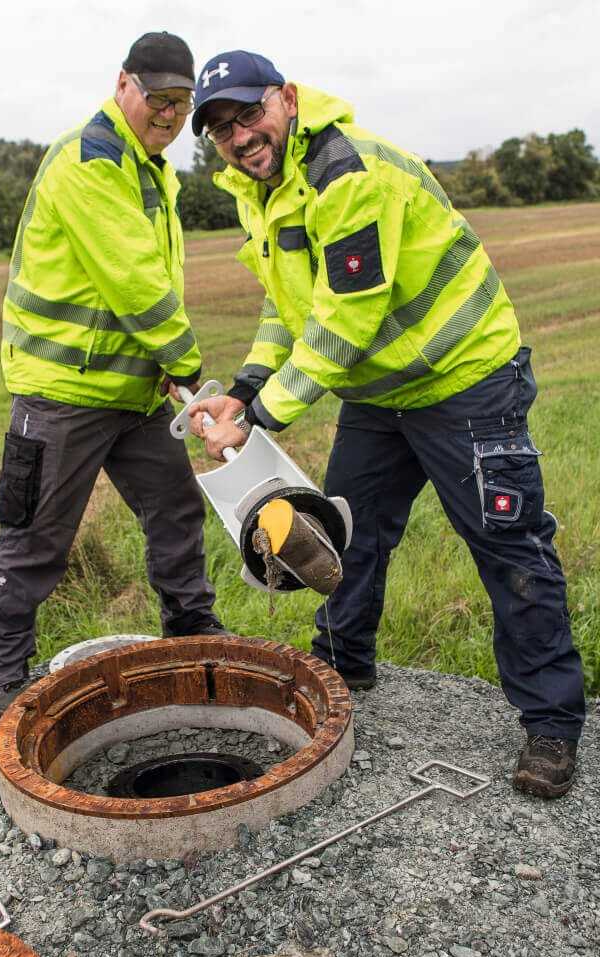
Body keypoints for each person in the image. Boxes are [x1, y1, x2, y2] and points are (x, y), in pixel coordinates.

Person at [186, 50, 585, 798]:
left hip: (462, 378)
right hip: (380, 393)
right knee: (345, 531)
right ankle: (342, 669)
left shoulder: (344, 173)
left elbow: (348, 317)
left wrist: (264, 416)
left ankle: (552, 724)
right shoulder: (261, 189)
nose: (239, 137)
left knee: (506, 545)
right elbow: (290, 306)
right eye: (221, 128)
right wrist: (243, 389)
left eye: (249, 114)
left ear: (288, 99)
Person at [0, 32, 225, 716]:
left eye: (180, 100)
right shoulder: (92, 160)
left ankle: (191, 629)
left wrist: (166, 377)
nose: (168, 113)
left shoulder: (150, 167)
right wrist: (190, 371)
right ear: (123, 86)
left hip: (135, 394)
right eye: (157, 97)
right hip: (63, 393)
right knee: (36, 539)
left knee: (175, 512)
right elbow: (138, 284)